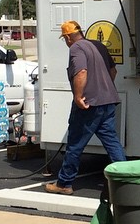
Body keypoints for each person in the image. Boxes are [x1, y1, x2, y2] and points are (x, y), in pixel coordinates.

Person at [45, 20, 126, 195]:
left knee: (75, 144)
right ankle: (126, 180)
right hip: (108, 101)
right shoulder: (98, 45)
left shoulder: (76, 48)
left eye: (64, 39)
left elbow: (81, 72)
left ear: (68, 37)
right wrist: (102, 88)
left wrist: (78, 96)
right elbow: (113, 71)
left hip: (90, 104)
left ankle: (64, 183)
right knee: (112, 142)